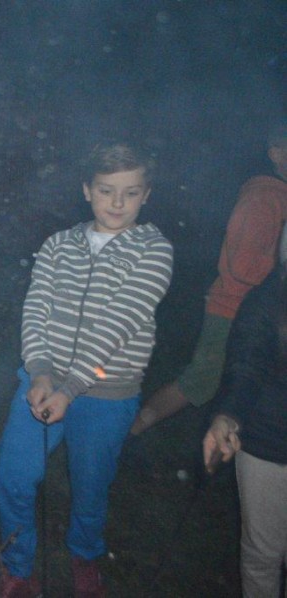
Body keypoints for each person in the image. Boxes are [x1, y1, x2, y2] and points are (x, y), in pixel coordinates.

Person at [0, 142, 174, 597]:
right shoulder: (58, 245)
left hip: (108, 395)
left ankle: (85, 555)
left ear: (146, 195)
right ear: (87, 190)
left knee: (91, 489)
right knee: (14, 476)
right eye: (106, 190)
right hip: (43, 382)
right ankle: (18, 567)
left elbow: (117, 323)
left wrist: (70, 388)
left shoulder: (154, 250)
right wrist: (40, 373)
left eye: (130, 193)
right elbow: (36, 309)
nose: (117, 203)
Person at [130, 124, 287, 436]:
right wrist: (278, 278)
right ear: (276, 153)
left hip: (260, 314)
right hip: (233, 311)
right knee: (199, 382)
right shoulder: (263, 197)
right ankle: (127, 433)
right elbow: (241, 265)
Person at [203, 265, 287, 598]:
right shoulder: (270, 297)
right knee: (262, 555)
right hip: (269, 441)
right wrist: (228, 417)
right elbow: (247, 365)